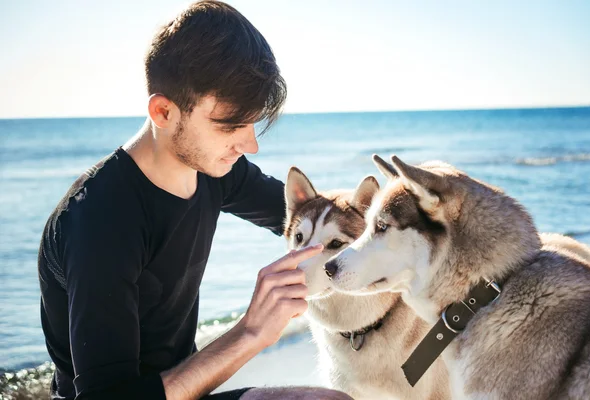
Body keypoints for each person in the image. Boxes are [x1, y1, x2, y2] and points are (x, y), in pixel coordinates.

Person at [37, 1, 353, 399]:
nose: (250, 145)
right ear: (164, 111)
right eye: (231, 125)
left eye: (252, 122)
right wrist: (250, 333)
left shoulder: (215, 170)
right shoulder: (98, 222)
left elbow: (322, 222)